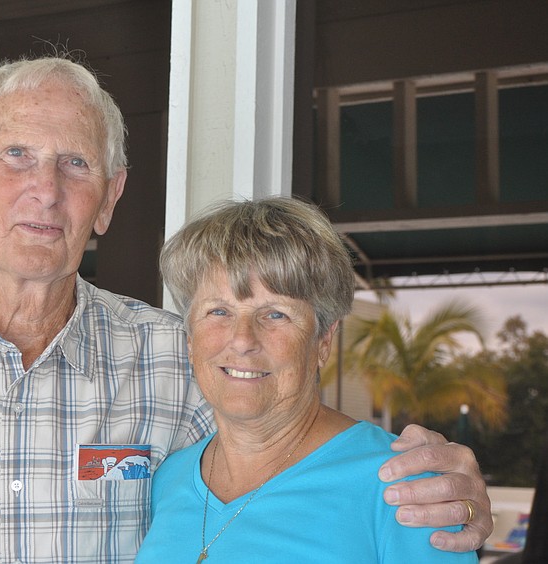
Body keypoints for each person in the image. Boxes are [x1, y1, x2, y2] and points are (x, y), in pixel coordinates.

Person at [0, 55, 491, 563]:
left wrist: (452, 496)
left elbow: (297, 466)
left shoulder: (178, 358)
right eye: (16, 154)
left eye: (76, 164)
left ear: (110, 198)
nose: (46, 190)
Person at [136, 198, 478, 563]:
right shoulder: (167, 479)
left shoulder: (403, 487)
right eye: (218, 311)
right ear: (190, 339)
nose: (242, 340)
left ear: (323, 341)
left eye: (276, 314)